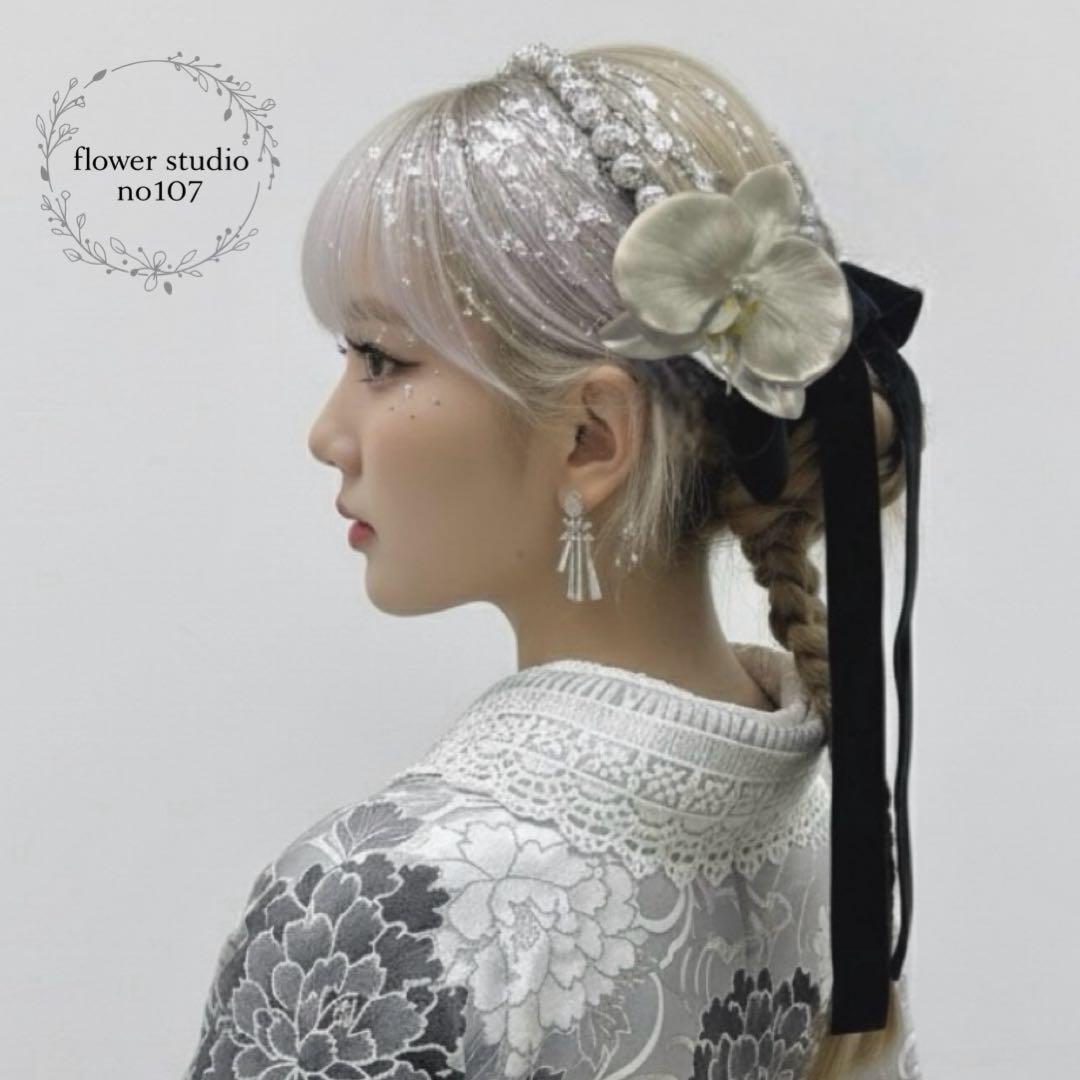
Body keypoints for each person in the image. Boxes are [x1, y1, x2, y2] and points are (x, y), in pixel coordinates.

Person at [180, 42, 926, 1080]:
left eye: (381, 359)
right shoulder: (830, 819)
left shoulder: (386, 904)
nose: (327, 432)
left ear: (590, 438)